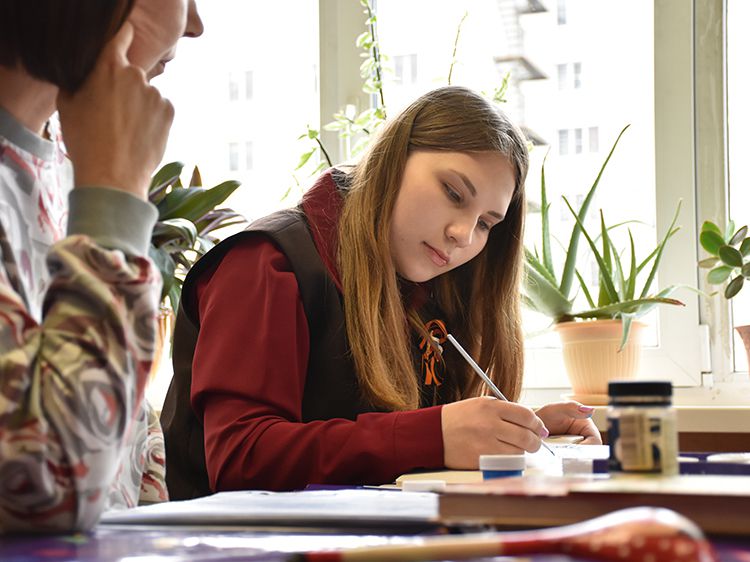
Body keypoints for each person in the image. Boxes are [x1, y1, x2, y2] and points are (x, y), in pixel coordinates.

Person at [161, 86, 601, 500]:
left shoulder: (426, 288)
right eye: (453, 192)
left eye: (486, 223)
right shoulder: (266, 264)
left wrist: (516, 434)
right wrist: (435, 436)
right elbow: (240, 458)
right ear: (393, 159)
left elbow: (402, 443)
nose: (464, 235)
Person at [0, 0, 203, 532]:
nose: (195, 24)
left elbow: (131, 457)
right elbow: (44, 487)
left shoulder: (68, 169)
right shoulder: (98, 182)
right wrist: (114, 193)